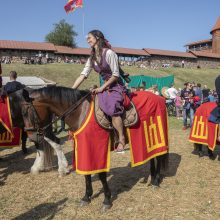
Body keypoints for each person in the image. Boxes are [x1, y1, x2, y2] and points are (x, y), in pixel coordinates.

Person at [72, 30, 126, 152]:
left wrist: (102, 87)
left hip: (115, 86)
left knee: (112, 106)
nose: (88, 40)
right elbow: (83, 75)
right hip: (103, 86)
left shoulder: (109, 53)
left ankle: (122, 139)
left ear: (97, 37)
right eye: (87, 38)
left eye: (89, 38)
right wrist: (71, 90)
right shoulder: (91, 58)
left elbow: (116, 75)